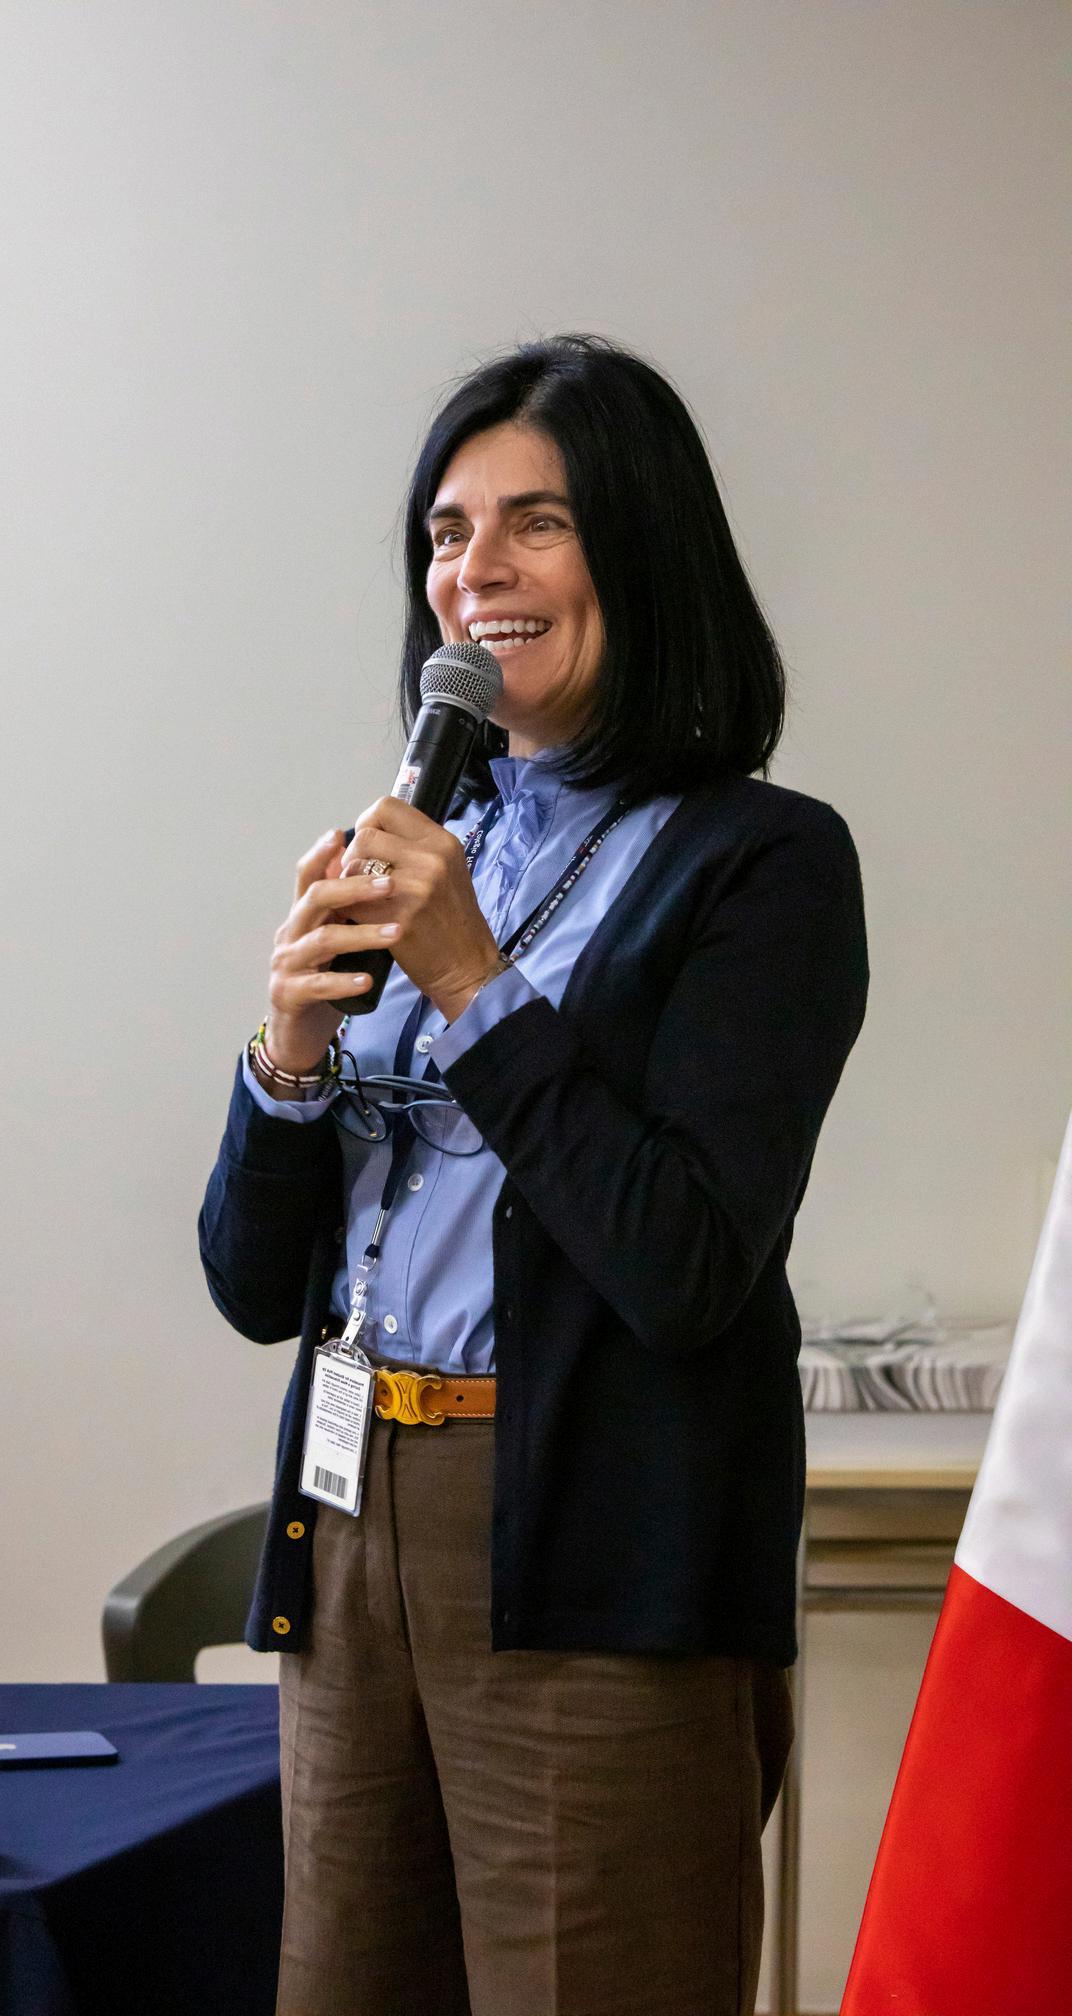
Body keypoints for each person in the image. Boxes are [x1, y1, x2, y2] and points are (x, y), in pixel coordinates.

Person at [199, 334, 869, 2016]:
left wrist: (474, 986)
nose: (475, 571)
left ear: (641, 548)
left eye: (536, 523)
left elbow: (685, 1263)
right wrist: (290, 1052)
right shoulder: (426, 851)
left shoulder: (763, 862)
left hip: (588, 1539)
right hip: (352, 1516)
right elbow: (249, 1286)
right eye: (447, 532)